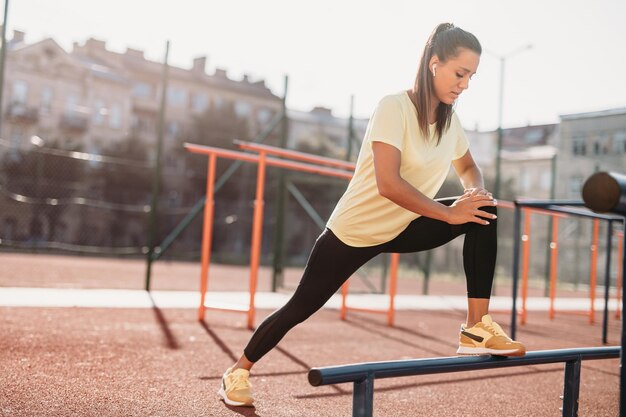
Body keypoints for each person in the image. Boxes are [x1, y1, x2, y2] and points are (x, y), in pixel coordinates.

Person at [218, 22, 526, 408]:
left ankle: (476, 327)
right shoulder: (393, 107)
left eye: (471, 77)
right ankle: (238, 370)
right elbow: (389, 184)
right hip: (355, 232)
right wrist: (449, 216)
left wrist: (474, 191)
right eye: (460, 73)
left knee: (484, 209)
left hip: (405, 225)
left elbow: (468, 168)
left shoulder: (450, 122)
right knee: (301, 306)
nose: (464, 84)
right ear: (435, 64)